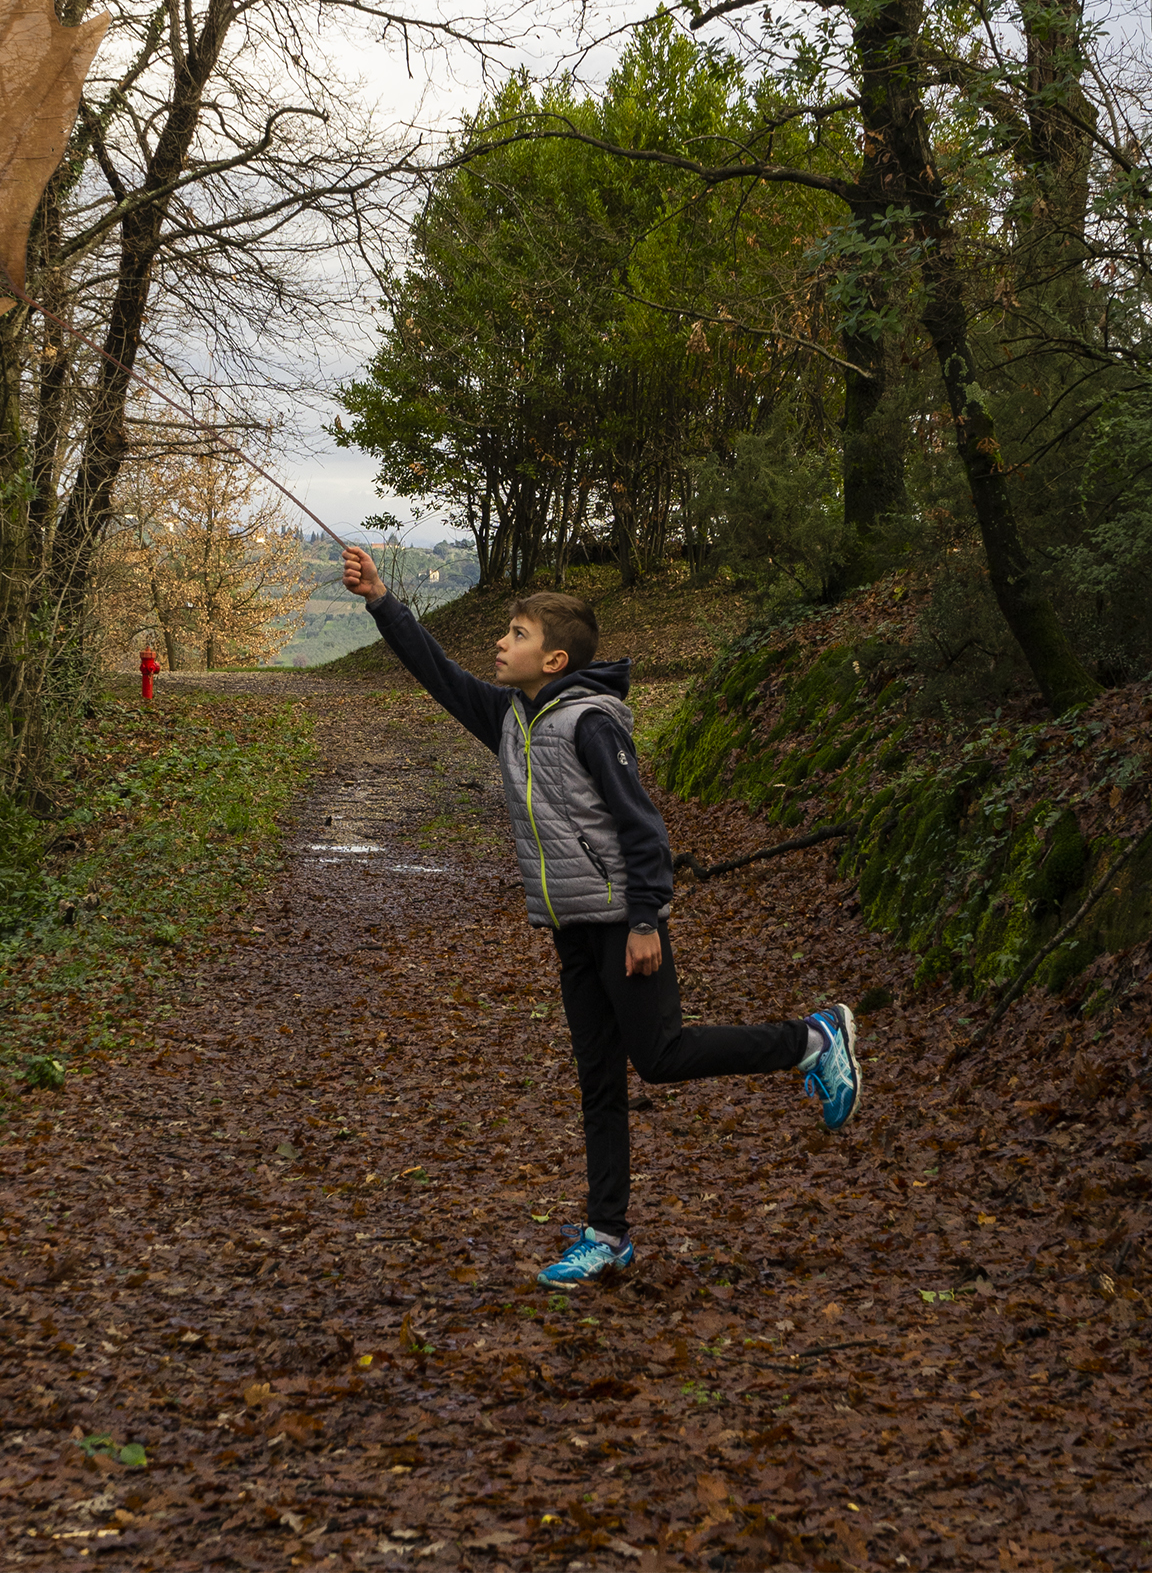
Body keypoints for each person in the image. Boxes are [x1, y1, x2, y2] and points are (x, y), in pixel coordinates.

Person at [340, 547, 862, 1287]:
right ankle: (607, 1233)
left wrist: (646, 919)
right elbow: (437, 674)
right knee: (598, 1078)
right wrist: (382, 599)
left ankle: (812, 1039)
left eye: (515, 634)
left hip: (622, 922)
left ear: (553, 659)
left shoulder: (589, 724)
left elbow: (643, 827)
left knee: (661, 1055)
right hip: (572, 927)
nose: (499, 643)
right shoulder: (512, 717)